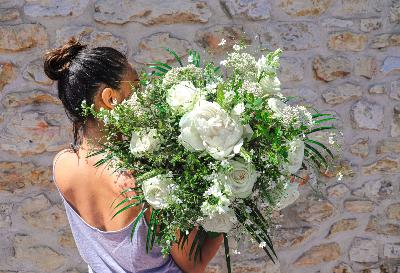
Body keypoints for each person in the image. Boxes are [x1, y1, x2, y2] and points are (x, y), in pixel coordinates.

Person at [44, 37, 223, 273]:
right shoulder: (142, 178)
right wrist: (228, 207)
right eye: (136, 87)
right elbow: (194, 261)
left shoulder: (62, 165)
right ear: (110, 99)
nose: (144, 96)